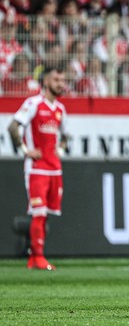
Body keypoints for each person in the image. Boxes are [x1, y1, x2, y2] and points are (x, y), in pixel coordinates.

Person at [7, 66, 69, 271]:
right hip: (37, 168)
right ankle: (39, 256)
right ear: (46, 81)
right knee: (39, 212)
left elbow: (66, 135)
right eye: (56, 79)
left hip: (54, 169)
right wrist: (25, 150)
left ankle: (34, 257)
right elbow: (13, 126)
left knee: (46, 213)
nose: (60, 83)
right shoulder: (33, 103)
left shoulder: (60, 109)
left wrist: (60, 149)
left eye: (62, 80)